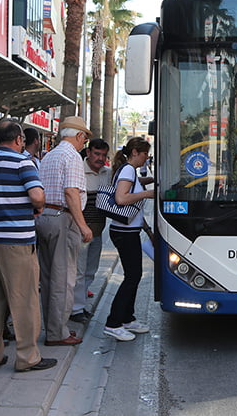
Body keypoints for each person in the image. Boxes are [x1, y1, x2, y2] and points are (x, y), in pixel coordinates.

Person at [0, 119, 56, 372]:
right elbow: (37, 195)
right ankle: (28, 357)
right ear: (19, 140)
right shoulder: (22, 162)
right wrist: (36, 207)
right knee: (24, 301)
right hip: (15, 242)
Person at [36, 116, 93, 346]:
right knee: (64, 279)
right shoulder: (72, 156)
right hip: (63, 218)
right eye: (84, 140)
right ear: (79, 136)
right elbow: (71, 193)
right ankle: (57, 332)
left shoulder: (50, 155)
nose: (84, 144)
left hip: (45, 217)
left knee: (48, 278)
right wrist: (83, 226)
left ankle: (52, 327)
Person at [103, 137, 155, 342]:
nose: (146, 158)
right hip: (123, 233)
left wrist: (147, 229)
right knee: (132, 276)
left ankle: (127, 318)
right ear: (135, 152)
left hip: (129, 230)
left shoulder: (129, 171)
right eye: (145, 154)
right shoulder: (127, 171)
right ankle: (113, 322)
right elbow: (121, 198)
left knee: (134, 274)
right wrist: (147, 194)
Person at [70, 138, 112, 323]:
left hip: (97, 231)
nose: (100, 158)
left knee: (91, 270)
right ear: (88, 152)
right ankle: (75, 309)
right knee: (78, 271)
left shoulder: (107, 174)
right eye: (96, 154)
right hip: (80, 230)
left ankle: (80, 305)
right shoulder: (77, 170)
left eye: (103, 155)